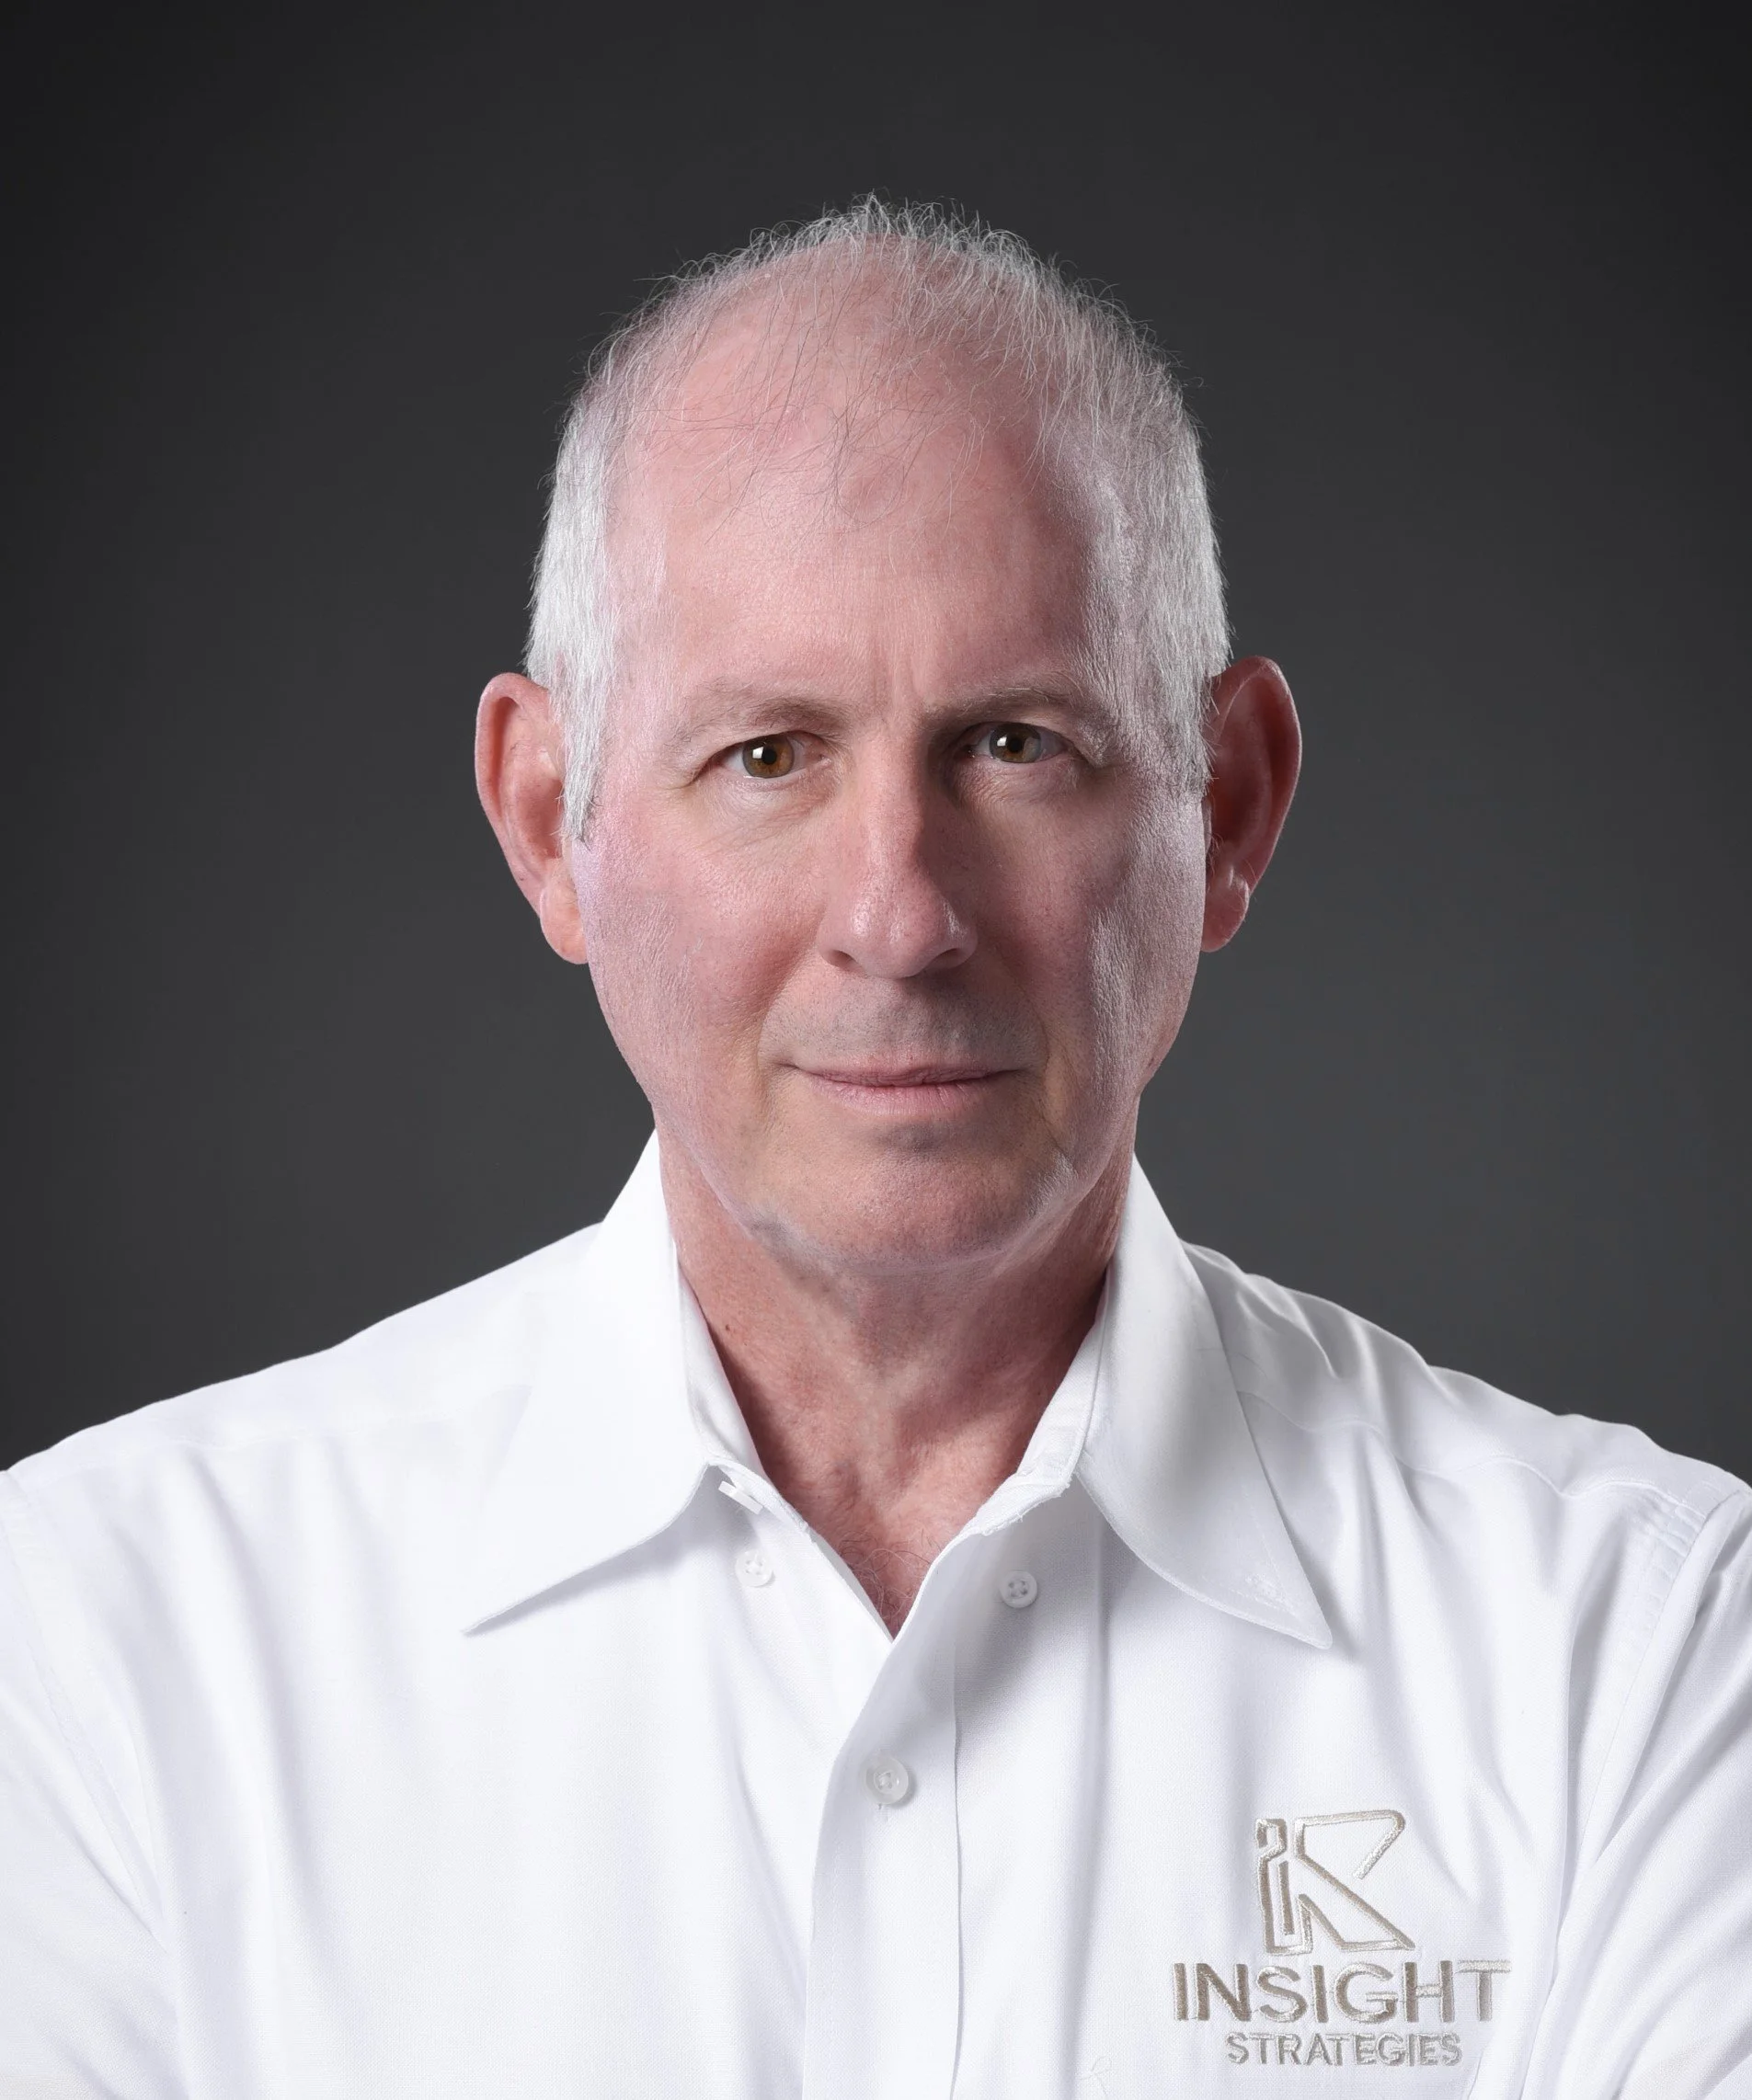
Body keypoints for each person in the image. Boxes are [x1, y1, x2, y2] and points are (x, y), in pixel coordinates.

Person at [2, 200, 1747, 2099]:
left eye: (1017, 744)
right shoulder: (105, 1643)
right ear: (548, 819)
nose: (900, 916)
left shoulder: (1641, 1649)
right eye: (768, 755)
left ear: (1229, 805)